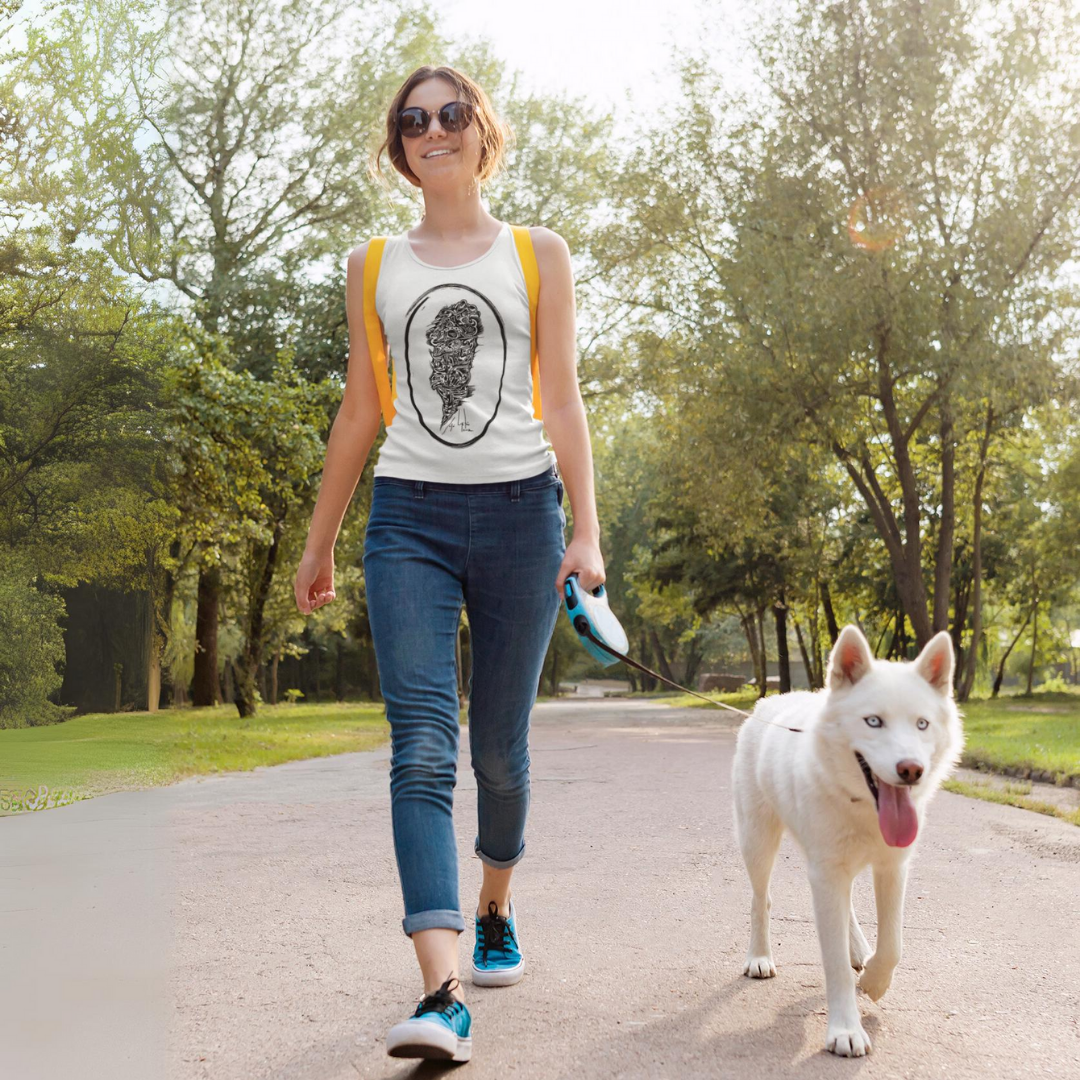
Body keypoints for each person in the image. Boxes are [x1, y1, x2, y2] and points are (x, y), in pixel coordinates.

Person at [294, 65, 605, 1062]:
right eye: (413, 120)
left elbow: (562, 400)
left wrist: (585, 533)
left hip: (521, 519)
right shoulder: (372, 262)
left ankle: (497, 906)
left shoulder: (535, 252)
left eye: (450, 113)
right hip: (409, 524)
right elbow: (362, 409)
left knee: (499, 753)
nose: (433, 129)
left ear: (482, 132)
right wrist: (321, 539)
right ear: (400, 146)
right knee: (422, 744)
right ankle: (442, 991)